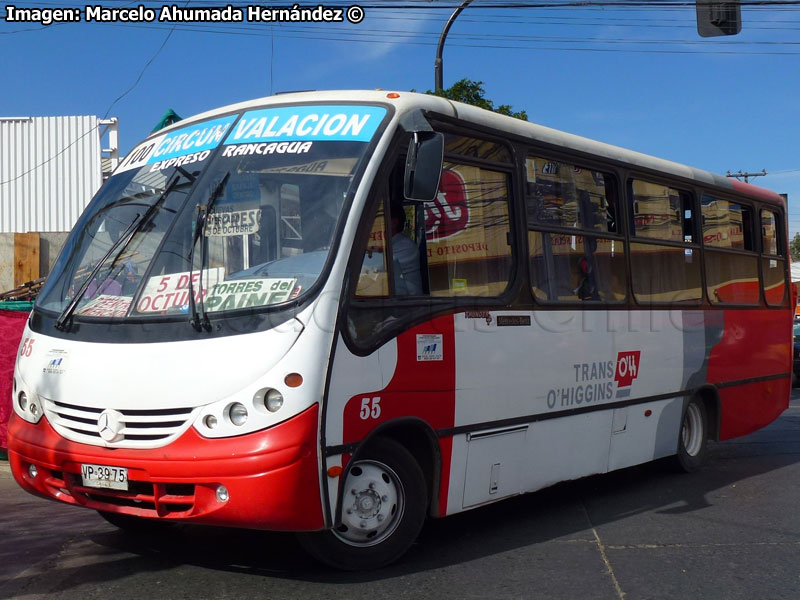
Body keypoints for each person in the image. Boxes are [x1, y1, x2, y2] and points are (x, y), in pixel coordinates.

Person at [390, 203, 423, 295]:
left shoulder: (405, 246)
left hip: (409, 305)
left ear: (394, 223)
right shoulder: (389, 245)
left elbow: (377, 268)